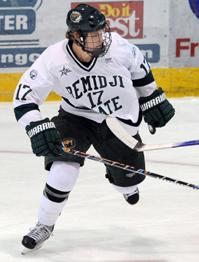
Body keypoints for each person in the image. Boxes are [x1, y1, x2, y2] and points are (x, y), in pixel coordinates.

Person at [13, 3, 175, 252]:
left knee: (130, 183)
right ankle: (44, 225)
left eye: (101, 31)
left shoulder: (119, 48)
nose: (101, 38)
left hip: (120, 120)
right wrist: (36, 126)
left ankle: (124, 184)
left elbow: (142, 75)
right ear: (75, 36)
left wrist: (151, 98)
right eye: (93, 35)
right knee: (63, 167)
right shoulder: (54, 59)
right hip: (75, 118)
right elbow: (24, 98)